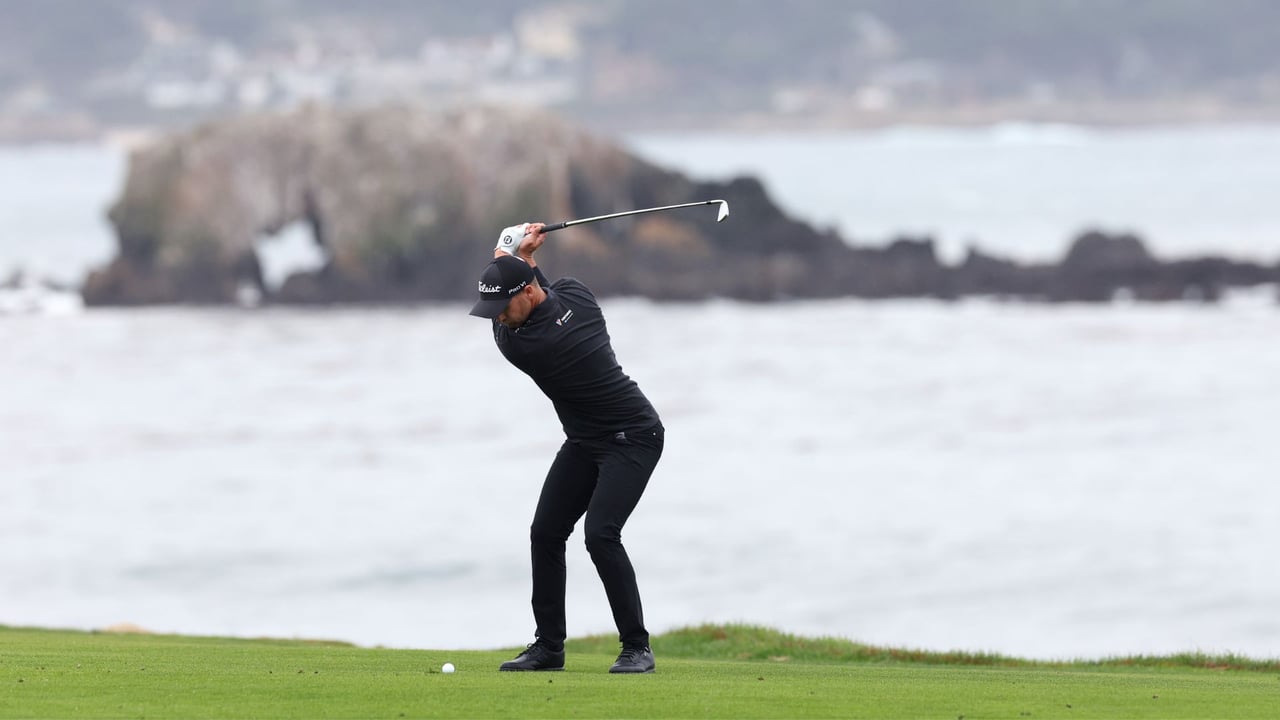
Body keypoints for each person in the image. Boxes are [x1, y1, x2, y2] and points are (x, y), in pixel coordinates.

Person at [469, 222, 663, 674]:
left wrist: (508, 246)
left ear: (527, 293)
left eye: (501, 306)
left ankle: (637, 647)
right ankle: (549, 647)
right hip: (585, 440)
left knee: (600, 534)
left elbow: (529, 287)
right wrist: (520, 254)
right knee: (546, 532)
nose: (497, 316)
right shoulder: (577, 295)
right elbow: (543, 287)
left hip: (633, 435)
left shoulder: (528, 345)